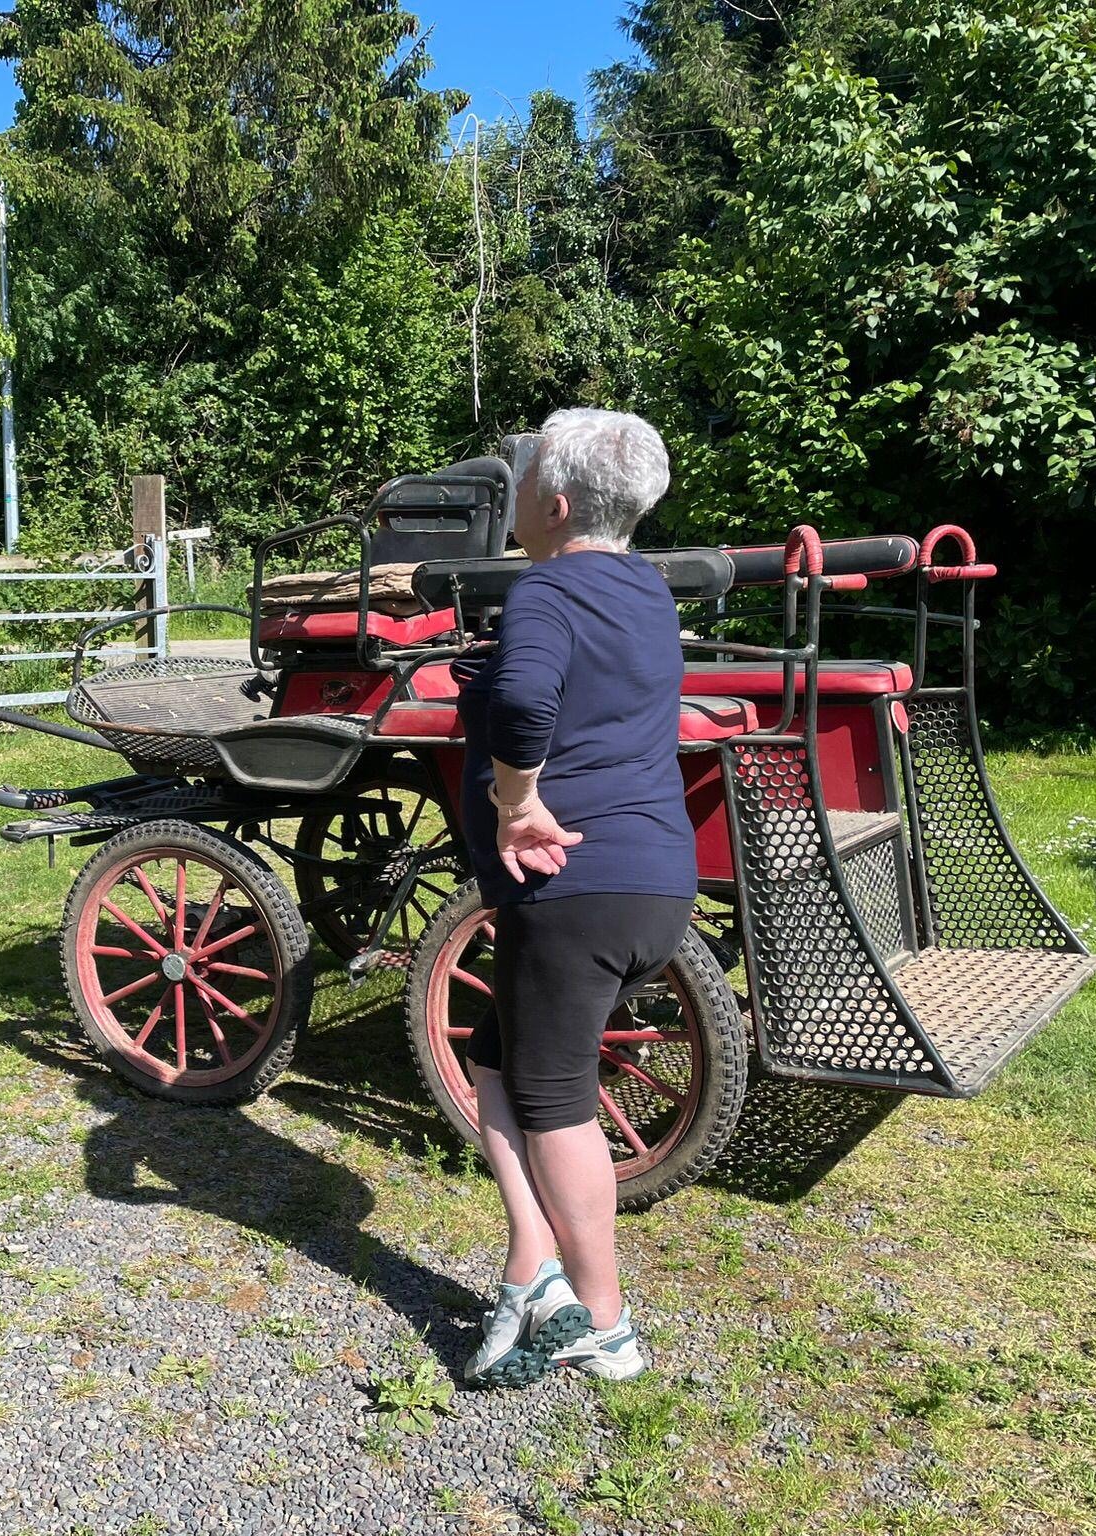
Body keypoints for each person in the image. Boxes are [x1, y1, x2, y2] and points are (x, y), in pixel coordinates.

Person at [455, 409, 695, 1386]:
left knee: (555, 1104)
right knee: (493, 1057)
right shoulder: (646, 591)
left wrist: (517, 802)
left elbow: (522, 702)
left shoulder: (547, 590)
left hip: (573, 888)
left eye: (520, 478)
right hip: (653, 884)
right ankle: (531, 1260)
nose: (510, 491)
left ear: (551, 507)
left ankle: (600, 1321)